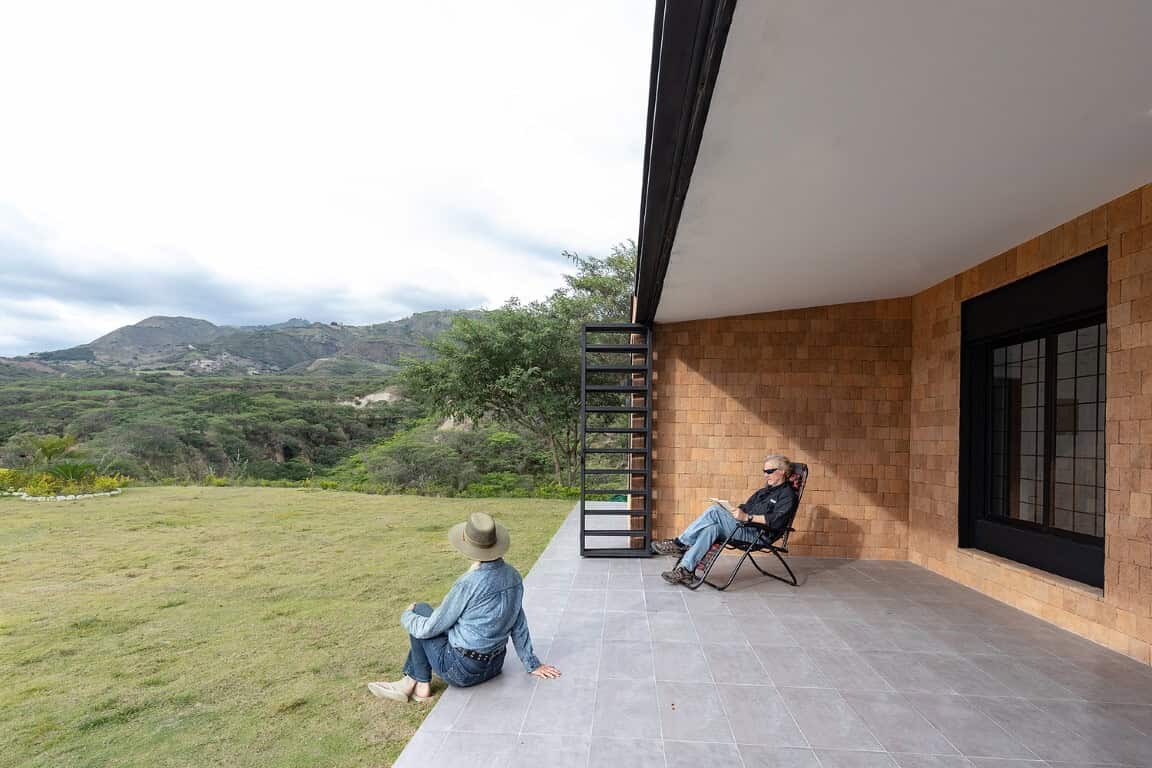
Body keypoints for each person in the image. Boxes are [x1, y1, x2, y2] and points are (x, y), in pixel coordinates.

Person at [367, 511, 561, 703]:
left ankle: (419, 683)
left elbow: (430, 628)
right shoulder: (514, 576)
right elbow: (518, 623)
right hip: (494, 666)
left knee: (420, 611)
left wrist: (406, 615)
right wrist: (531, 663)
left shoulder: (468, 583)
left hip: (461, 671)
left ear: (468, 545)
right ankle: (414, 680)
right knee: (432, 617)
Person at [653, 454, 798, 585]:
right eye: (764, 471)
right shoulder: (763, 492)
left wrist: (748, 517)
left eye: (769, 471)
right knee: (712, 528)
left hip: (759, 535)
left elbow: (776, 521)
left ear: (782, 471)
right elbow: (746, 507)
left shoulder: (788, 495)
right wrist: (733, 511)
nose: (766, 475)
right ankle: (686, 571)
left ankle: (679, 543)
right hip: (743, 527)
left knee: (714, 511)